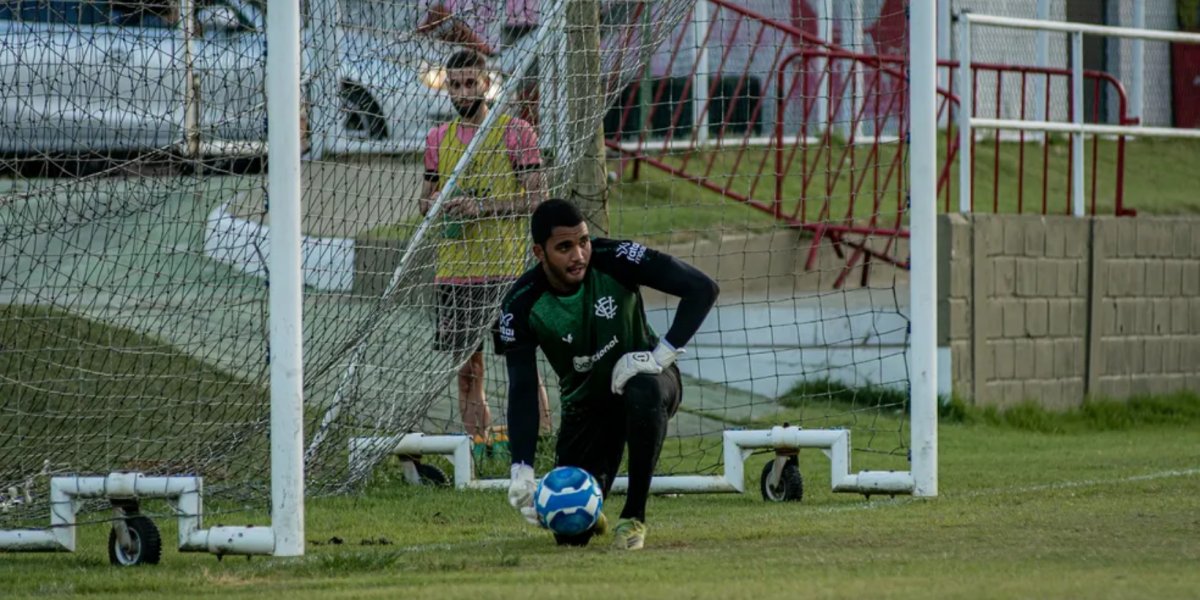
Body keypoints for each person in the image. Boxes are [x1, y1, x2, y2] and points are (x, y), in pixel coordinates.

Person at [496, 199, 719, 550]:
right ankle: (592, 506)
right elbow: (522, 387)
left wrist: (660, 356)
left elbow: (702, 288)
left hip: (651, 382)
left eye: (583, 241)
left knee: (642, 388)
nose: (579, 255)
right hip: (585, 409)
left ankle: (634, 516)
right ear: (539, 251)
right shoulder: (520, 304)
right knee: (569, 534)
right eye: (564, 247)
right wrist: (521, 469)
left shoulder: (616, 258)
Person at [420, 49, 551, 453]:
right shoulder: (437, 138)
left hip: (506, 269)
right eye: (454, 84)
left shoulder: (516, 132)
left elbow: (537, 199)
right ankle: (479, 448)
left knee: (522, 364)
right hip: (456, 269)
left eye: (469, 83)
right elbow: (424, 201)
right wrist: (440, 201)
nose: (462, 92)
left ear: (486, 84)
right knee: (467, 369)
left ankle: (540, 442)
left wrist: (483, 207)